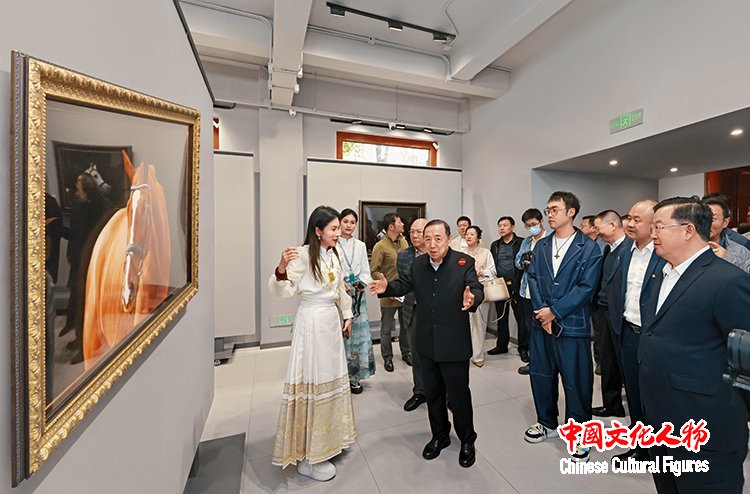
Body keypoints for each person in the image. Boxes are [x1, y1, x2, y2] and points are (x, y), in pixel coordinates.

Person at [640, 196, 750, 493]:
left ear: (688, 230)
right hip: (661, 419)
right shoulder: (662, 274)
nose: (652, 234)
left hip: (705, 425)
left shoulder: (728, 280)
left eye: (659, 227)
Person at [370, 219, 484, 468]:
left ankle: (467, 440)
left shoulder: (463, 262)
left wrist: (472, 299)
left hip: (454, 343)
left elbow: (477, 289)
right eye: (427, 238)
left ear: (449, 238)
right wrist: (387, 287)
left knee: (459, 397)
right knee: (433, 394)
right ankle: (440, 435)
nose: (432, 244)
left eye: (438, 239)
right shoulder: (419, 264)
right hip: (426, 342)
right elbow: (404, 285)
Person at [269, 205, 356, 482]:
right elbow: (282, 290)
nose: (338, 233)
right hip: (311, 323)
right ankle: (308, 456)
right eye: (333, 228)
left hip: (330, 322)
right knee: (314, 381)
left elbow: (339, 288)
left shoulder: (335, 253)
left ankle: (328, 440)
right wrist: (281, 268)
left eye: (338, 228)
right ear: (318, 231)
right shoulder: (302, 255)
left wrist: (347, 313)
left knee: (330, 377)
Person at [524, 191, 603, 463]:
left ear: (571, 212)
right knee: (541, 375)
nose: (549, 214)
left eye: (555, 209)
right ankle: (546, 422)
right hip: (541, 324)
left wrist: (554, 312)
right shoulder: (542, 246)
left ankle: (579, 433)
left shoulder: (589, 248)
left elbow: (586, 287)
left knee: (577, 381)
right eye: (548, 210)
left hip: (572, 325)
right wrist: (543, 313)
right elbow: (533, 278)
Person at [604, 199, 664, 462]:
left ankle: (660, 446)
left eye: (636, 220)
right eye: (628, 217)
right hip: (627, 332)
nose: (628, 223)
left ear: (653, 225)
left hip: (654, 336)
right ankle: (641, 447)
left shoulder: (663, 253)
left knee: (657, 394)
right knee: (634, 393)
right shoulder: (625, 251)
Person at [590, 211, 627, 420]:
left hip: (619, 313)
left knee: (624, 362)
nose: (597, 233)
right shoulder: (608, 249)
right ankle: (612, 405)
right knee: (607, 360)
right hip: (602, 310)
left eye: (598, 228)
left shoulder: (629, 249)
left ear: (612, 225)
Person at [337, 208, 375, 394]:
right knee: (340, 335)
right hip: (339, 296)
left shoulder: (360, 245)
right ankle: (337, 377)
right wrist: (340, 283)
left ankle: (355, 377)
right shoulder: (333, 244)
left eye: (352, 222)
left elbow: (366, 271)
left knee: (357, 337)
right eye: (345, 221)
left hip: (358, 296)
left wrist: (362, 283)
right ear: (339, 222)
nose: (349, 225)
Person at [370, 213, 409, 371]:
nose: (403, 224)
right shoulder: (380, 246)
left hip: (405, 292)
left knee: (406, 326)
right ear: (391, 227)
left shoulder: (404, 242)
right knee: (386, 328)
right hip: (388, 293)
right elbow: (374, 271)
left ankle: (406, 353)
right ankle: (387, 358)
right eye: (399, 222)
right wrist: (387, 287)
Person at [514, 209, 549, 375]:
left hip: (544, 293)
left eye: (534, 224)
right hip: (527, 292)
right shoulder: (527, 242)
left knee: (546, 331)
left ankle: (547, 362)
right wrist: (524, 260)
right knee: (531, 330)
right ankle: (534, 362)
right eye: (528, 226)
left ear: (541, 221)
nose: (531, 228)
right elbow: (517, 262)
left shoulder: (550, 239)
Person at [398, 218, 428, 411]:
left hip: (438, 311)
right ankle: (420, 391)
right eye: (412, 232)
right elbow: (403, 284)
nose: (415, 235)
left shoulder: (441, 253)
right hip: (413, 309)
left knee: (440, 353)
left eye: (419, 232)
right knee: (417, 353)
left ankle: (445, 393)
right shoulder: (404, 256)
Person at [487, 216, 525, 360]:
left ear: (512, 227)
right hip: (500, 285)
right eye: (499, 225)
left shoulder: (521, 242)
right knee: (501, 317)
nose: (502, 228)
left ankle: (523, 348)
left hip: (516, 285)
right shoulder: (495, 245)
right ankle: (502, 345)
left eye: (505, 225)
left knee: (521, 318)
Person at [464, 226, 496, 367]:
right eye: (467, 234)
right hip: (463, 292)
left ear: (478, 237)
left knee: (479, 325)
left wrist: (482, 272)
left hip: (480, 291)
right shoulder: (461, 253)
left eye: (472, 234)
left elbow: (493, 271)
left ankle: (477, 356)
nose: (468, 236)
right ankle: (464, 354)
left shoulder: (486, 252)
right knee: (464, 325)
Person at [702, 194, 750, 272]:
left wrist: (728, 258)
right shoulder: (686, 246)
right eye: (702, 218)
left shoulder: (741, 251)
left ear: (725, 222)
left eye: (712, 219)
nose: (706, 223)